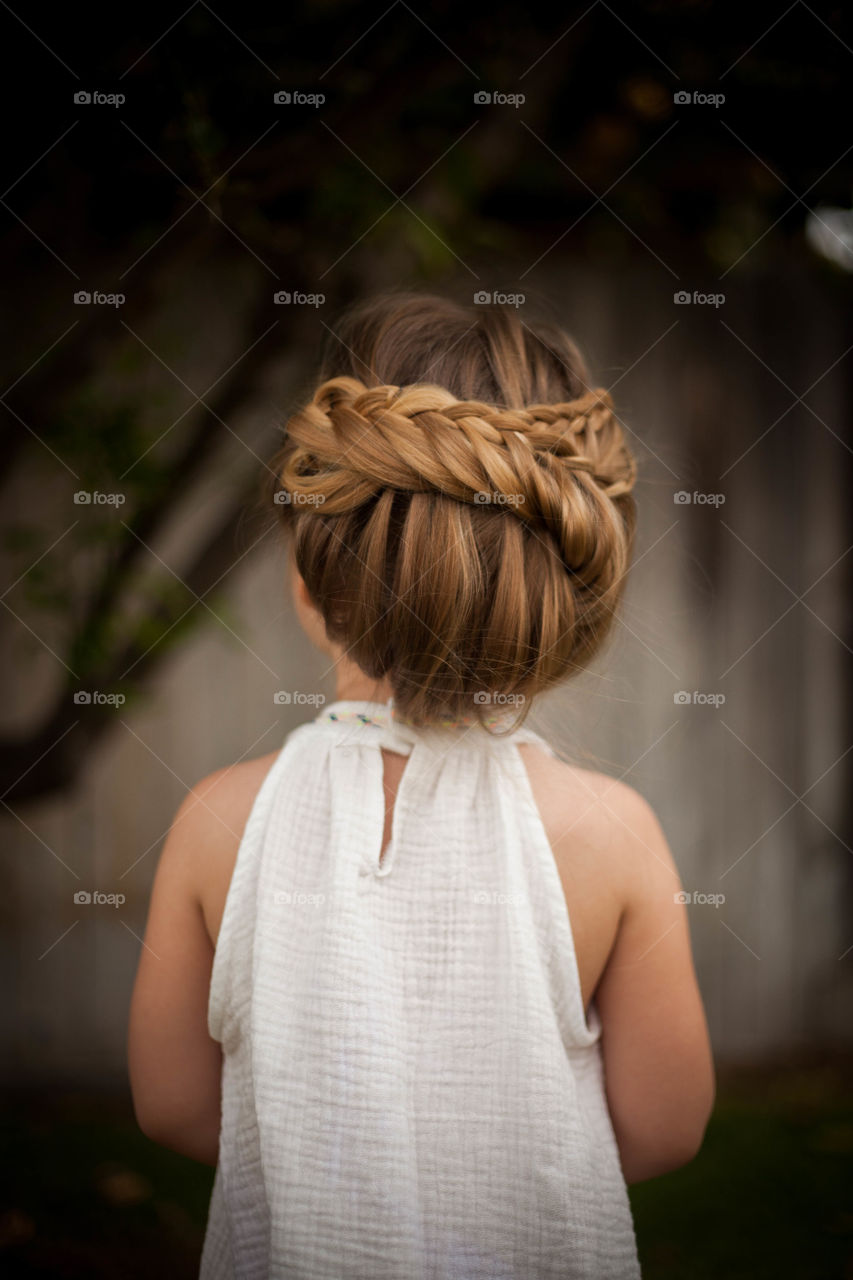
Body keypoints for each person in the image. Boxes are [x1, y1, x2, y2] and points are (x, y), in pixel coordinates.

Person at [128, 292, 715, 1279]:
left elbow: (172, 1104)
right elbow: (665, 1126)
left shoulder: (216, 821)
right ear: (569, 592)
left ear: (307, 578)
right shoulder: (613, 833)